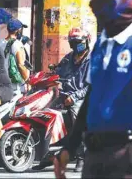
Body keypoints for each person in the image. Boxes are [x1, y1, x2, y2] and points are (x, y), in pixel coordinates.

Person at [54, 0, 132, 178]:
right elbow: (91, 99)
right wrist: (70, 147)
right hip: (96, 156)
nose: (92, 3)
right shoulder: (101, 45)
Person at [32, 27, 90, 172]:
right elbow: (57, 73)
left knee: (78, 121)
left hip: (82, 97)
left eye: (78, 42)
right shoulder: (68, 58)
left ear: (86, 41)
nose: (76, 45)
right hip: (64, 95)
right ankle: (46, 155)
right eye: (73, 42)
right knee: (43, 113)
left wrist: (74, 96)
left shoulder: (93, 60)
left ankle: (82, 158)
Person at [0, 19, 30, 93]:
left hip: (2, 81)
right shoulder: (17, 44)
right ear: (17, 31)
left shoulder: (0, 43)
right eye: (21, 29)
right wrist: (28, 81)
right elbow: (21, 65)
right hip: (15, 85)